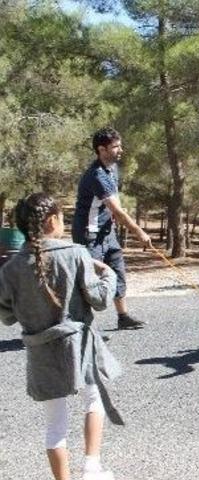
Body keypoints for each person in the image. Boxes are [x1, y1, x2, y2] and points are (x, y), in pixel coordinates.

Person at [1, 193, 123, 480]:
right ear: (52, 220)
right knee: (94, 400)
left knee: (54, 424)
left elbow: (7, 316)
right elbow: (99, 300)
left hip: (40, 351)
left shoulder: (10, 269)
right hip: (80, 344)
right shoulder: (76, 253)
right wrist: (108, 275)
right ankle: (92, 468)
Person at [72, 127, 152, 330]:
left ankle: (123, 317)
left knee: (117, 272)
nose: (121, 150)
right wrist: (139, 232)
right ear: (102, 149)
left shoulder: (112, 169)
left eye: (120, 145)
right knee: (89, 280)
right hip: (89, 234)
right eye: (116, 147)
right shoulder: (96, 175)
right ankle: (80, 325)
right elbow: (118, 211)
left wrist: (116, 223)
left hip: (107, 232)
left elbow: (114, 205)